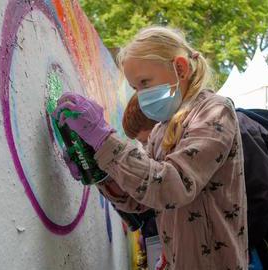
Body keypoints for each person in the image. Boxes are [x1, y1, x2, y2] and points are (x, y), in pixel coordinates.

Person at [54, 26, 248, 269]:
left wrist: (105, 140)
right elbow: (143, 199)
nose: (141, 95)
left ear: (180, 68)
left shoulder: (214, 112)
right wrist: (102, 173)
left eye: (145, 82)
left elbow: (172, 186)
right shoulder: (160, 129)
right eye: (136, 88)